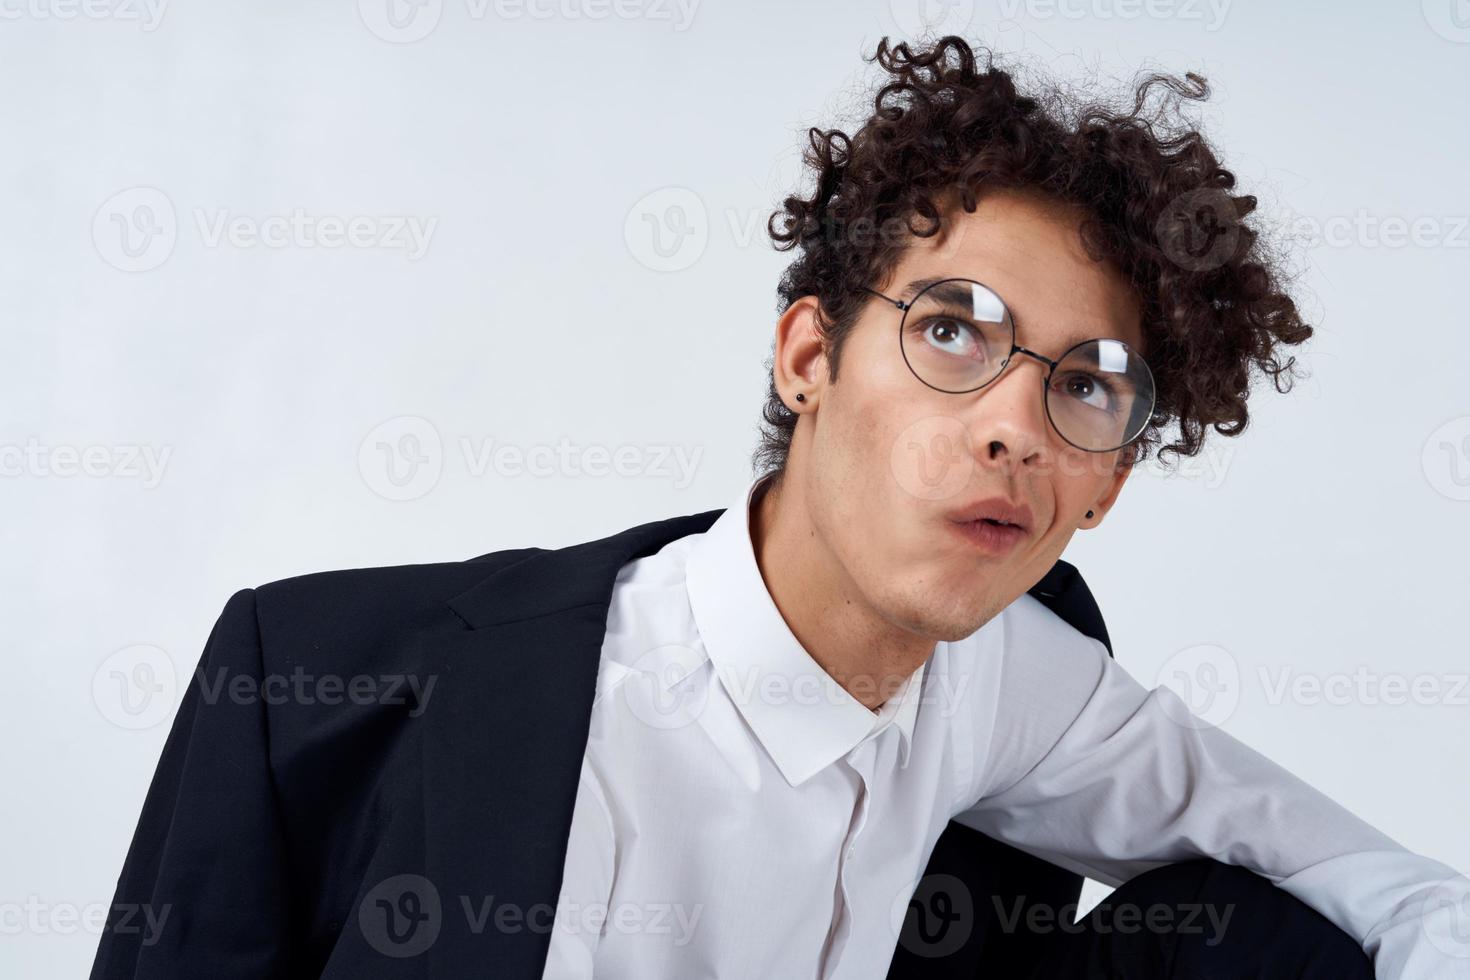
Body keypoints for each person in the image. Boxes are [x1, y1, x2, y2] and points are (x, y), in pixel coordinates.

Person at [92, 35, 1467, 980]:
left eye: (1087, 390)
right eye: (952, 333)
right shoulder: (319, 685)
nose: (1010, 425)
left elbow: (1394, 897)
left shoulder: (1013, 679)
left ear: (1103, 484)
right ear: (808, 358)